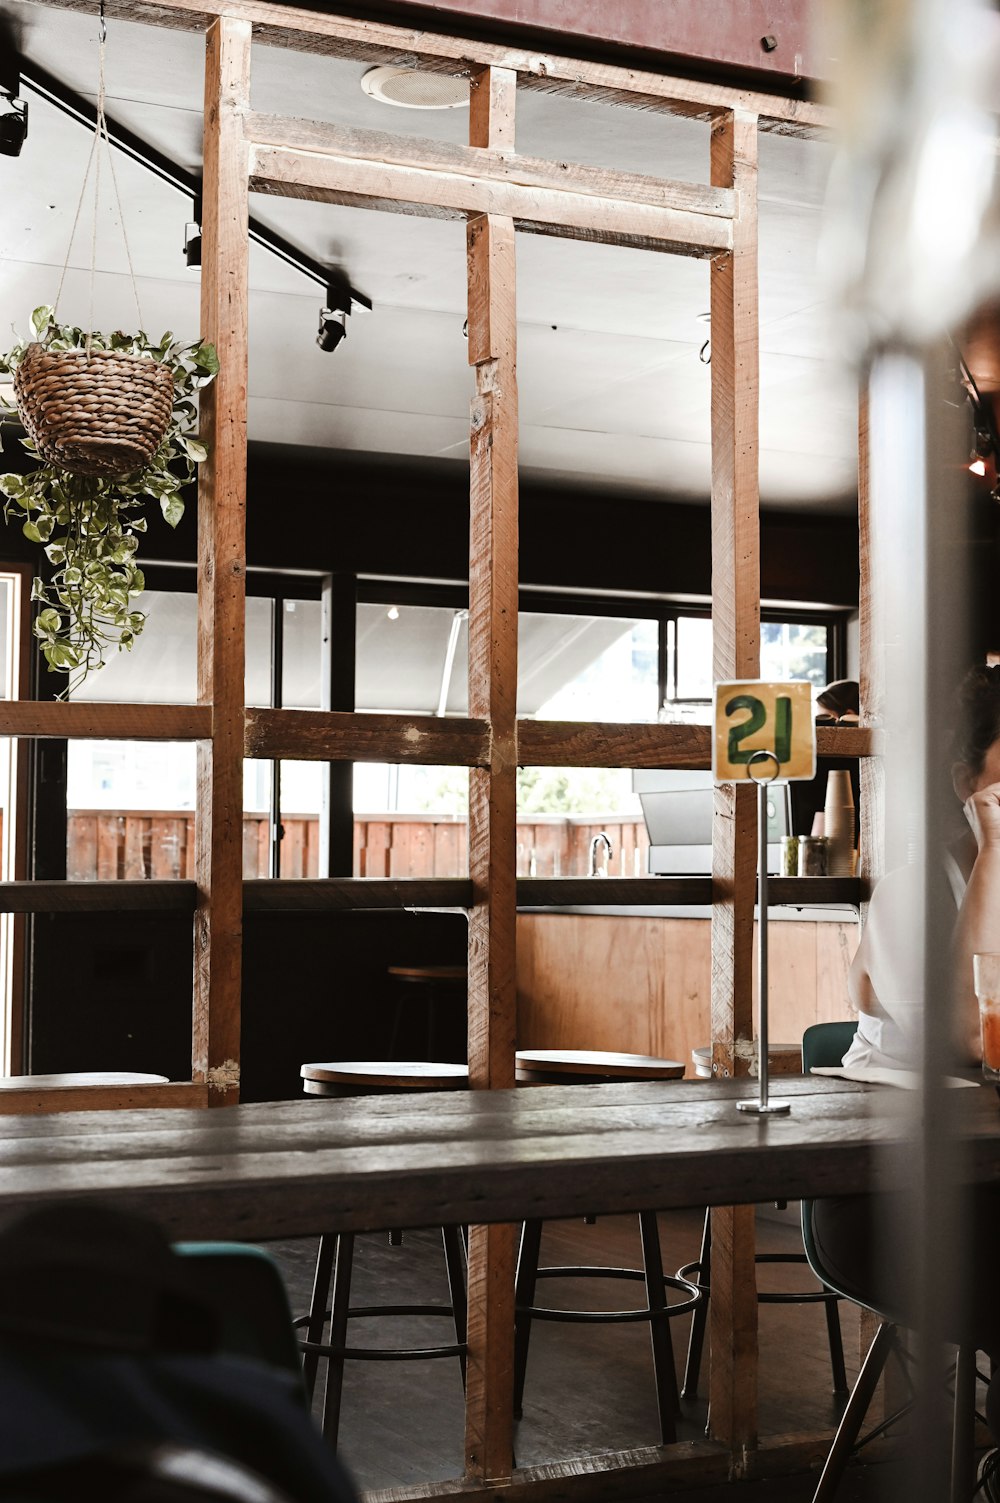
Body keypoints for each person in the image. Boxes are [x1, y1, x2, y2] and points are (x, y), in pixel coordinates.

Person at [811, 664, 1000, 1494]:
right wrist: (990, 857)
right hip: (894, 1204)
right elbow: (969, 1031)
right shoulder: (916, 891)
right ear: (966, 780)